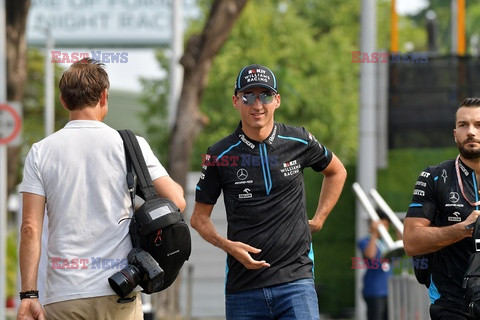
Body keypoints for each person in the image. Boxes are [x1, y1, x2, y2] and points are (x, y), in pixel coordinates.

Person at [17, 58, 186, 320]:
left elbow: (30, 228)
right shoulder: (130, 145)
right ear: (104, 96)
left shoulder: (41, 152)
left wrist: (29, 295)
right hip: (119, 289)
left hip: (63, 294)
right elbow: (176, 202)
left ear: (63, 100)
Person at [190, 64, 347, 319]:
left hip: (296, 283)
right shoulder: (219, 154)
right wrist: (228, 246)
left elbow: (336, 171)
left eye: (265, 95)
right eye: (248, 96)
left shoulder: (299, 140)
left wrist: (319, 218)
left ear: (277, 101)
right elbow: (198, 218)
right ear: (235, 101)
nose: (257, 104)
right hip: (243, 290)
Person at [403, 97, 480, 320]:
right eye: (463, 125)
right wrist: (464, 228)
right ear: (455, 133)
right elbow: (411, 241)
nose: (471, 132)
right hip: (451, 304)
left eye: (478, 125)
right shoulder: (434, 177)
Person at [358, 210, 399, 320]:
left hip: (388, 290)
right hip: (374, 290)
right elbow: (370, 255)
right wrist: (375, 233)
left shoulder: (385, 243)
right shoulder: (365, 241)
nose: (386, 228)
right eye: (384, 225)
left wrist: (399, 237)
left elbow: (395, 261)